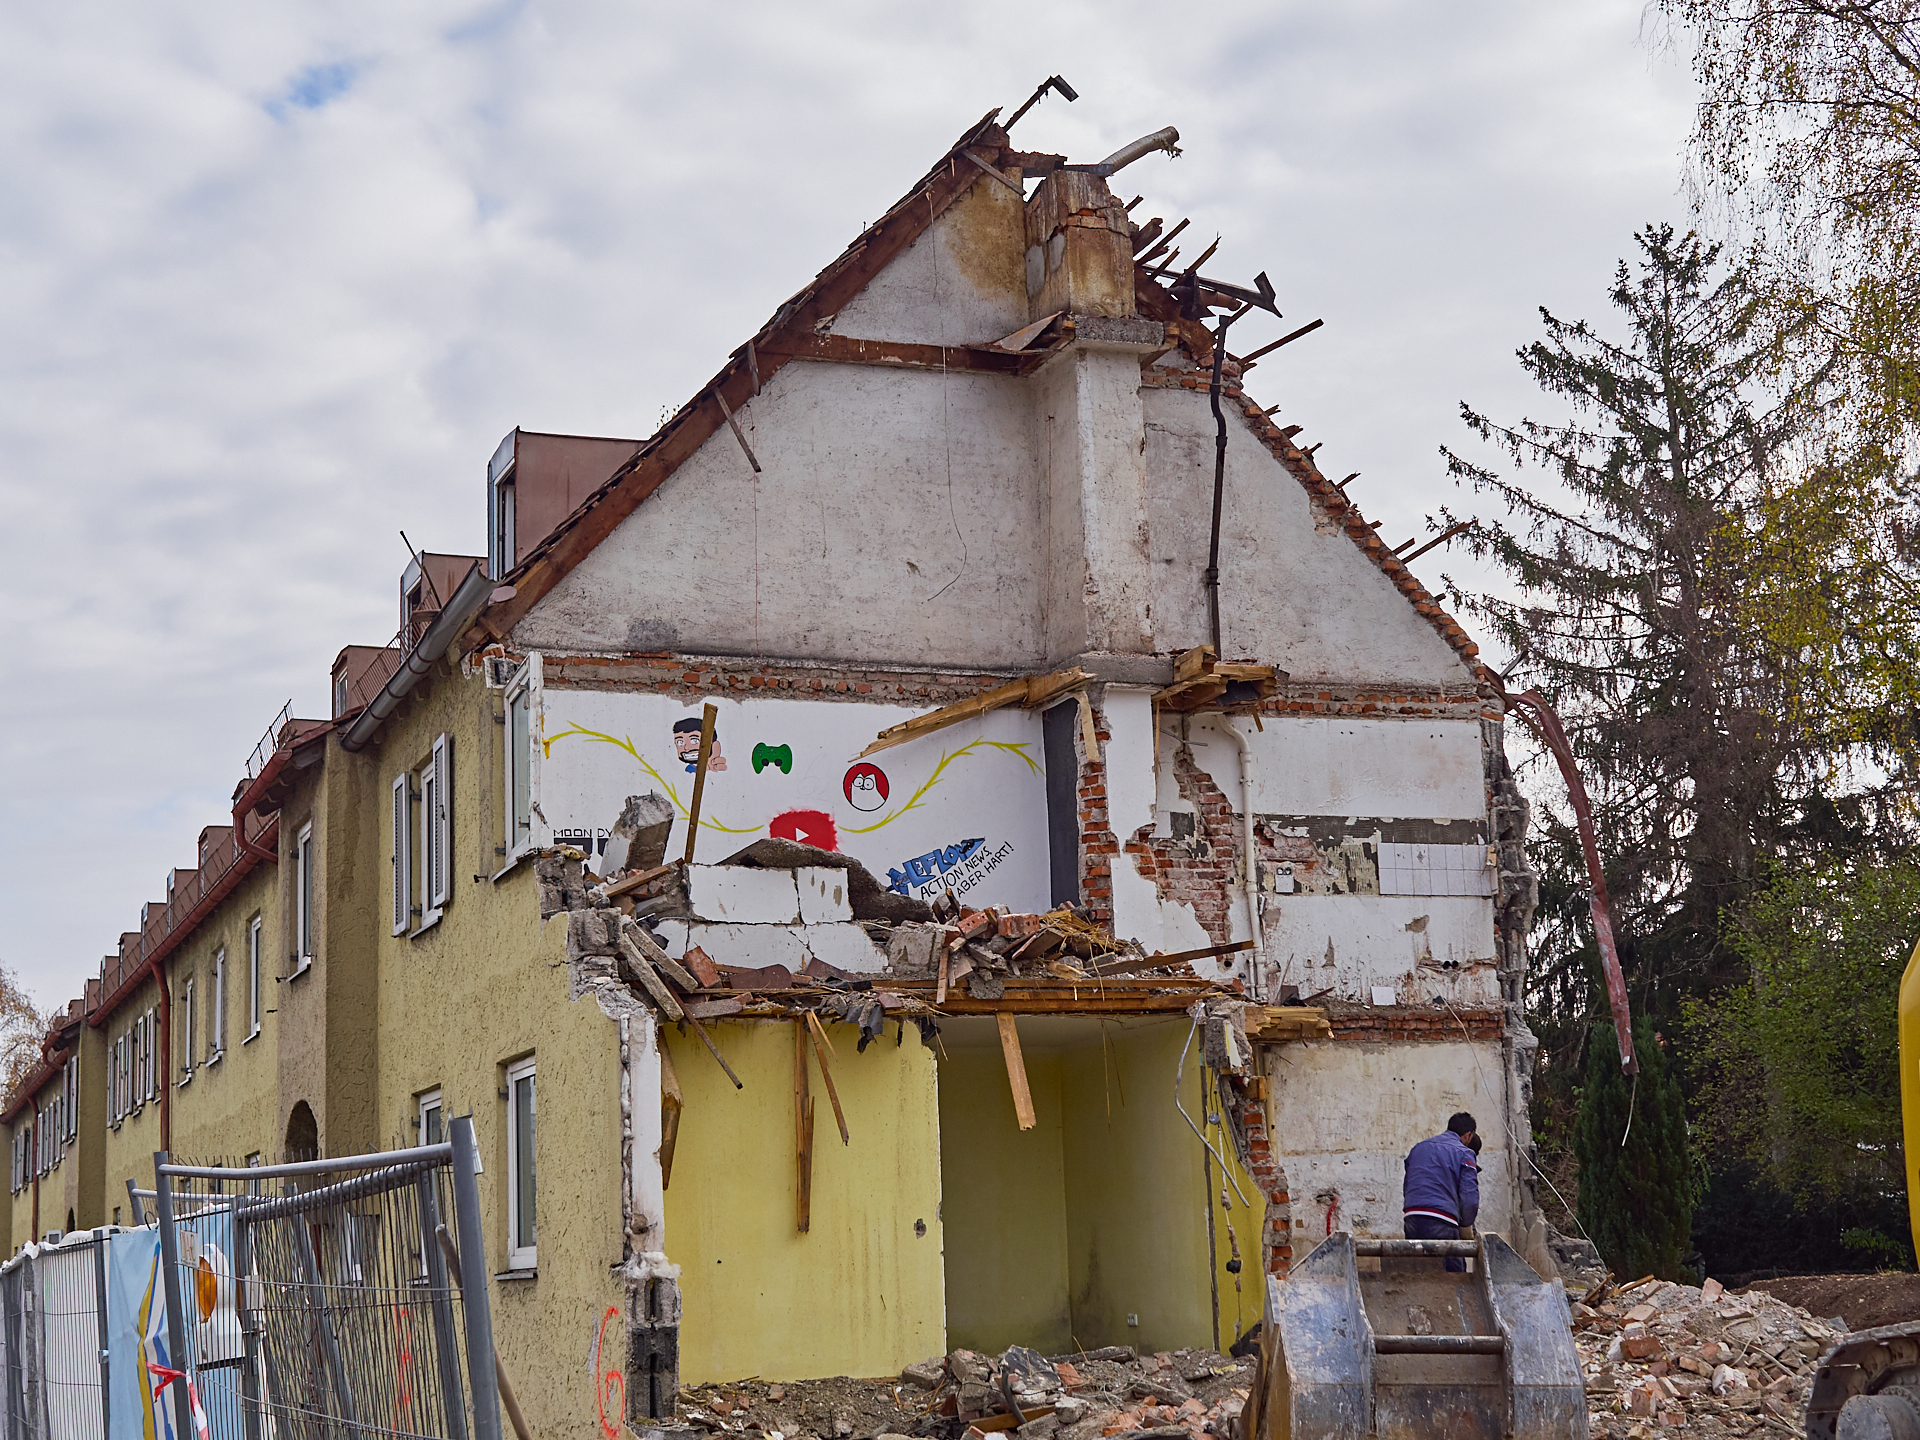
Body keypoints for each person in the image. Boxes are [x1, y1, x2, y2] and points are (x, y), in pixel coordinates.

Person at [1402, 1112, 1479, 1272]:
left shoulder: (1418, 1148)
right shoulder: (1465, 1153)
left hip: (1412, 1217)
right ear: (1468, 1135)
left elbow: (1407, 1185)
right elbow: (1469, 1199)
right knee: (1455, 1276)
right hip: (1442, 1220)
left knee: (1421, 1273)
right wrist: (1465, 1223)